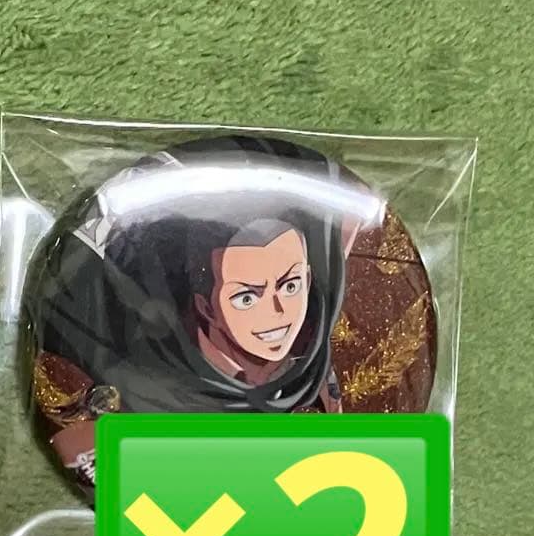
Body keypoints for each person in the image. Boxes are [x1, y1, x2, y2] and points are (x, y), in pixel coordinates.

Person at [28, 135, 379, 497]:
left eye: (290, 286)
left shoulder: (310, 369)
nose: (277, 313)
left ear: (308, 278)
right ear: (206, 306)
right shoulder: (144, 377)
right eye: (247, 297)